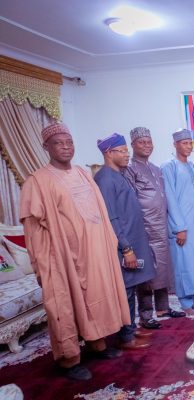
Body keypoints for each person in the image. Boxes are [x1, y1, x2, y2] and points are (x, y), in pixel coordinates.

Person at [20, 123, 130, 380]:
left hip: (94, 252)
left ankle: (98, 344)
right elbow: (34, 230)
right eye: (59, 142)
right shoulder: (38, 181)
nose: (66, 146)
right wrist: (43, 262)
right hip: (63, 257)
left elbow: (99, 213)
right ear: (46, 147)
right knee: (65, 306)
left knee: (97, 298)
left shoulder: (82, 174)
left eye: (69, 141)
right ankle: (69, 360)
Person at [94, 133, 156, 348]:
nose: (126, 155)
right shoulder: (104, 179)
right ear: (108, 153)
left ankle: (130, 329)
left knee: (132, 287)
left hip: (132, 240)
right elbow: (111, 217)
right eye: (122, 151)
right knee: (126, 290)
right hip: (123, 245)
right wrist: (126, 248)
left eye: (126, 151)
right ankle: (125, 337)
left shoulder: (117, 175)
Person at [124, 127, 186, 326]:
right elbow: (130, 201)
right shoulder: (129, 169)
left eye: (149, 142)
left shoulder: (155, 168)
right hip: (144, 228)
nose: (146, 146)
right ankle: (145, 315)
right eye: (142, 142)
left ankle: (163, 308)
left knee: (163, 269)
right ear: (132, 145)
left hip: (160, 225)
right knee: (146, 272)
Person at [161, 129, 194, 312]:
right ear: (175, 144)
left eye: (190, 143)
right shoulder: (169, 167)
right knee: (184, 262)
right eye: (184, 143)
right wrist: (179, 227)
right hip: (181, 225)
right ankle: (185, 302)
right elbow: (170, 198)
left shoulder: (191, 166)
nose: (188, 146)